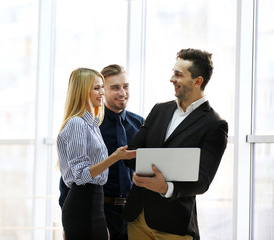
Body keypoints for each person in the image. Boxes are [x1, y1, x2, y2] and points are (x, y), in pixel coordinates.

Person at [123, 48, 228, 240]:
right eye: (173, 73)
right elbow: (131, 153)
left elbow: (202, 180)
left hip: (174, 225)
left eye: (178, 75)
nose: (172, 79)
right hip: (138, 217)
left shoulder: (215, 124)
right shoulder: (159, 110)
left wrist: (166, 187)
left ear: (197, 81)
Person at [59, 64, 144, 240]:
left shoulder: (139, 124)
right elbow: (74, 178)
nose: (122, 92)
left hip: (129, 213)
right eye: (114, 87)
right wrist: (70, 224)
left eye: (125, 86)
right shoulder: (85, 124)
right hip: (97, 208)